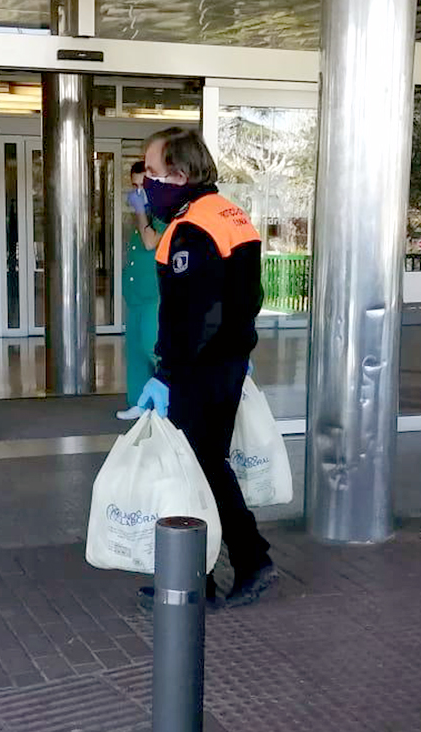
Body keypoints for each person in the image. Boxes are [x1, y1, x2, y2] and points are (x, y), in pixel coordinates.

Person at [137, 127, 276, 609]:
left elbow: (192, 314)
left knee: (197, 471)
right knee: (204, 466)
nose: (146, 183)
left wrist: (167, 373)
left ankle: (233, 566)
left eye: (152, 172)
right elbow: (247, 298)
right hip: (227, 362)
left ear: (179, 173)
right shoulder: (230, 214)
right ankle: (213, 568)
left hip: (199, 369)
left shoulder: (193, 228)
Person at [118, 161, 165, 421]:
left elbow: (150, 243)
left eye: (143, 186)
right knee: (135, 350)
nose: (138, 192)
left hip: (156, 294)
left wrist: (140, 212)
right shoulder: (143, 217)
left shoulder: (165, 216)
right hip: (136, 295)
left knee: (152, 345)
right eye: (134, 186)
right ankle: (139, 402)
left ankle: (166, 399)